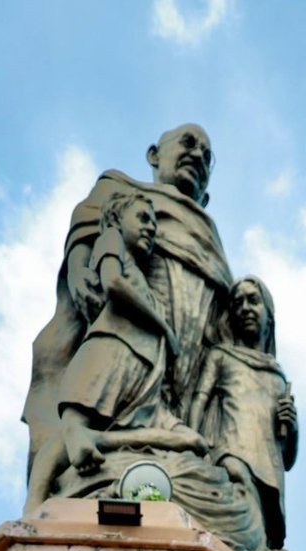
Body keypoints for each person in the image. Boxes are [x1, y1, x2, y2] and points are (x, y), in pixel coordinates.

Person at [22, 124, 233, 479]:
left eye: (207, 155)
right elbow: (87, 230)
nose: (197, 154)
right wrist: (78, 270)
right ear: (154, 155)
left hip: (184, 364)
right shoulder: (121, 191)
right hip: (125, 337)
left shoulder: (209, 232)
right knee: (101, 407)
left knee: (184, 437)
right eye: (188, 143)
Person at [24, 191, 206, 511]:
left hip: (140, 367)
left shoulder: (141, 276)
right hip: (110, 351)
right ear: (115, 219)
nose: (150, 228)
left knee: (192, 442)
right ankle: (34, 506)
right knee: (72, 430)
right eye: (143, 218)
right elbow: (113, 284)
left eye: (154, 224)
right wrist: (164, 328)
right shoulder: (110, 239)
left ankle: (104, 442)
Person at [187, 276, 297, 549]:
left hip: (268, 468)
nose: (245, 308)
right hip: (230, 452)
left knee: (259, 534)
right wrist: (193, 443)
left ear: (268, 314)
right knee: (240, 509)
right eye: (238, 303)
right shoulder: (221, 356)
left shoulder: (278, 376)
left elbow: (287, 457)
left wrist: (292, 427)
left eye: (253, 300)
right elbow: (199, 400)